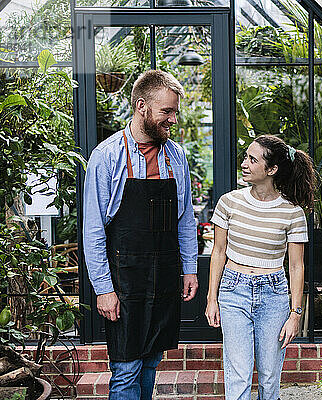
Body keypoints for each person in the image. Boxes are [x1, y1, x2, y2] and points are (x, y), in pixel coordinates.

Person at [83, 70, 199, 400]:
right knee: (125, 366)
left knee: (151, 362)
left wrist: (189, 268)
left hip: (162, 275)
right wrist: (104, 290)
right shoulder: (106, 157)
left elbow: (185, 218)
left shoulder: (176, 155)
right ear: (141, 106)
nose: (173, 119)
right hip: (124, 280)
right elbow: (93, 231)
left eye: (175, 111)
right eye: (167, 112)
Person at [205, 135, 316, 400]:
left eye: (252, 159)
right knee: (238, 375)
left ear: (272, 169)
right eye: (245, 157)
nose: (244, 163)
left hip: (274, 295)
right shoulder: (229, 202)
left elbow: (297, 266)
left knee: (268, 377)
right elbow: (218, 252)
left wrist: (295, 314)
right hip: (233, 292)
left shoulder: (292, 212)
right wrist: (212, 299)